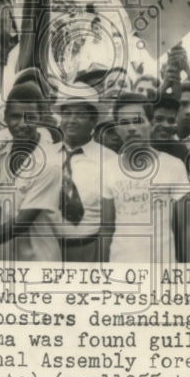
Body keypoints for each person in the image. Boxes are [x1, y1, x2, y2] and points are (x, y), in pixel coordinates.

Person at [0, 83, 64, 262]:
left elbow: (20, 225)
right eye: (15, 117)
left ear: (40, 118)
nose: (22, 124)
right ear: (5, 118)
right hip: (3, 258)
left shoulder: (51, 161)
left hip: (39, 261)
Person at [103, 93, 190, 264]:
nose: (131, 128)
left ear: (151, 124)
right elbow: (106, 228)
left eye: (138, 121)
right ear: (116, 128)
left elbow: (185, 227)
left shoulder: (173, 165)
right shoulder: (108, 168)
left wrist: (187, 271)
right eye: (124, 122)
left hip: (162, 265)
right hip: (120, 265)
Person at [52, 85, 117, 262]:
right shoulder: (45, 157)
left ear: (93, 120)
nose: (72, 120)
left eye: (80, 114)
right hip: (48, 250)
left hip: (90, 249)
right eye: (67, 114)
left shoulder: (109, 160)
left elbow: (111, 220)